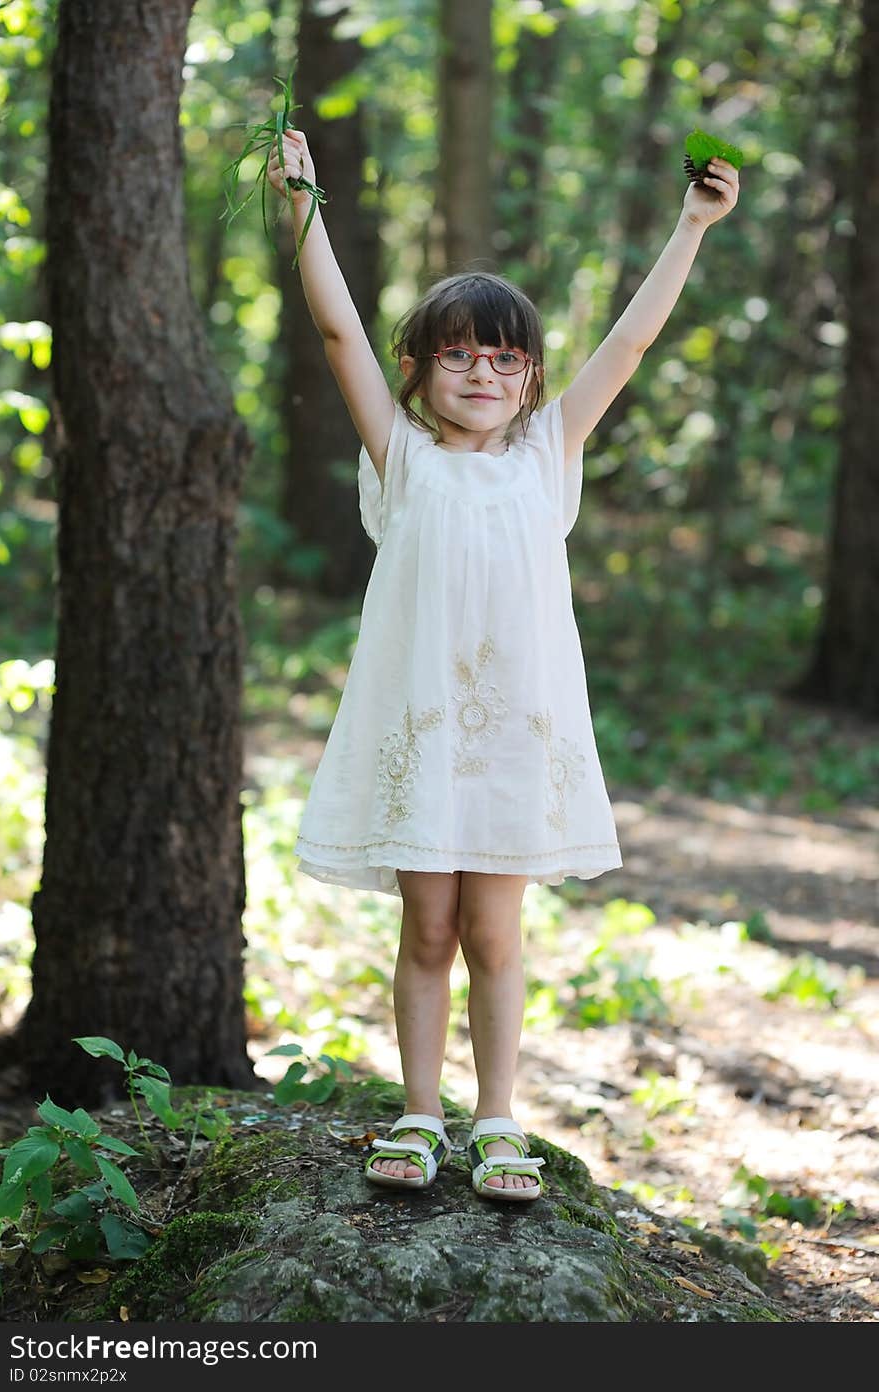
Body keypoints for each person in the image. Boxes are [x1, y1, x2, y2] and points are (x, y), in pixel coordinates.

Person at [266, 130, 739, 1200]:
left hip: (518, 739)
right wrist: (304, 205)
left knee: (495, 931)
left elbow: (625, 345)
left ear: (530, 381)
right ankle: (420, 1112)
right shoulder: (403, 457)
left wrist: (690, 228)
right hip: (424, 731)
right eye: (458, 353)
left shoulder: (546, 458)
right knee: (426, 927)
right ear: (421, 370)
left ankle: (497, 1121)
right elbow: (337, 330)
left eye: (506, 356)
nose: (483, 371)